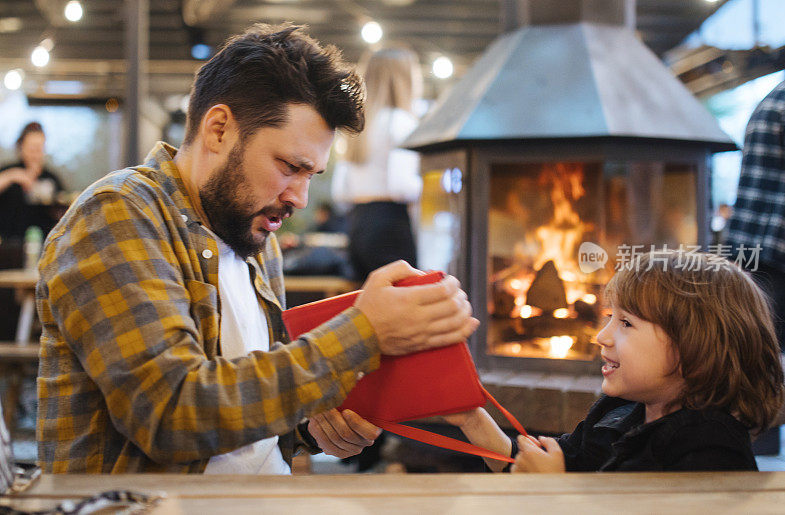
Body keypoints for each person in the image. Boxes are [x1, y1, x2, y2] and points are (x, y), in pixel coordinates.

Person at [35, 24, 479, 474]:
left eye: (312, 175)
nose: (300, 199)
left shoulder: (254, 239)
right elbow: (169, 414)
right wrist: (361, 332)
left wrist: (307, 427)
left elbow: (241, 419)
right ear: (219, 129)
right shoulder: (119, 213)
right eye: (290, 167)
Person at [445, 250, 784, 472]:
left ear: (694, 346)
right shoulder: (617, 413)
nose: (601, 336)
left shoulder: (711, 450)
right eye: (609, 316)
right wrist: (473, 419)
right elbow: (534, 468)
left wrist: (556, 494)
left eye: (626, 323)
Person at [726, 31, 785, 452]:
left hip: (755, 248)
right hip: (781, 252)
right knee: (771, 364)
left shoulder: (774, 97)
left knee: (755, 358)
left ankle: (749, 449)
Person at [331, 47, 423, 282]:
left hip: (358, 226)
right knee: (401, 308)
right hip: (390, 226)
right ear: (405, 79)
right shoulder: (400, 123)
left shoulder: (357, 128)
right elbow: (401, 187)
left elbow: (340, 192)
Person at [0, 122, 65, 242]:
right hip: (9, 245)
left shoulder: (51, 178)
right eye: (31, 148)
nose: (35, 153)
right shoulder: (9, 171)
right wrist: (12, 176)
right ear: (21, 147)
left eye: (39, 148)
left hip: (45, 245)